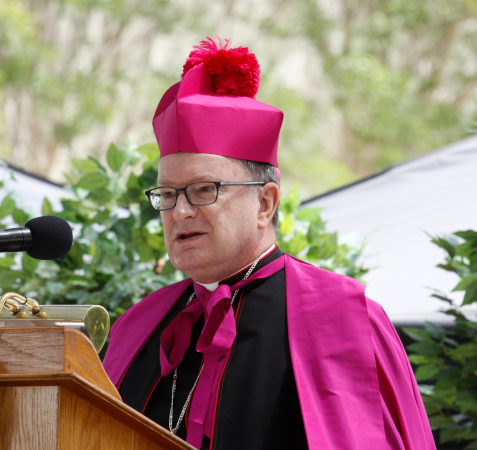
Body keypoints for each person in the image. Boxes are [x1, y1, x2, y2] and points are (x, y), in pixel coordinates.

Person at [103, 37, 436, 450]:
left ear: (265, 202)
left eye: (203, 189)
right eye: (167, 195)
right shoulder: (138, 325)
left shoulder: (346, 318)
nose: (180, 212)